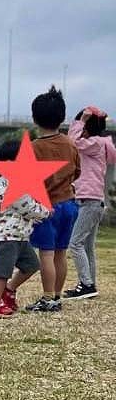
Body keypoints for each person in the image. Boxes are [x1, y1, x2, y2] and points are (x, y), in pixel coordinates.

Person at [14, 86, 80, 312]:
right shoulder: (71, 144)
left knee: (47, 254)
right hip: (69, 205)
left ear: (35, 118)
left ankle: (47, 297)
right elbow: (77, 171)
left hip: (46, 208)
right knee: (61, 252)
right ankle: (57, 296)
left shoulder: (34, 148)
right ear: (62, 116)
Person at [0, 141, 50, 316]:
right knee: (3, 272)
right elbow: (26, 206)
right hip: (7, 237)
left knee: (31, 265)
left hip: (20, 236)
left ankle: (9, 291)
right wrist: (46, 212)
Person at [63, 106, 115, 300]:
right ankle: (89, 284)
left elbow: (71, 142)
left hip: (89, 202)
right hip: (94, 202)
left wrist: (81, 120)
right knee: (86, 246)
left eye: (83, 127)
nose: (80, 130)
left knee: (75, 243)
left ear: (88, 127)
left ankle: (86, 284)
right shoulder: (98, 144)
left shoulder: (94, 143)